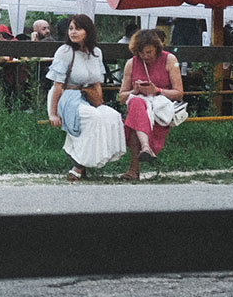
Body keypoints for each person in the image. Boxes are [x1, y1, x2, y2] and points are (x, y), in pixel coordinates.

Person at [46, 13, 125, 181]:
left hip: (87, 96)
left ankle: (96, 158)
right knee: (93, 118)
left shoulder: (96, 52)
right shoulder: (65, 51)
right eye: (71, 28)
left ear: (88, 31)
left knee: (112, 116)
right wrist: (52, 113)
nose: (73, 32)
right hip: (67, 96)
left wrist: (99, 102)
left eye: (78, 28)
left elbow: (97, 83)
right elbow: (57, 86)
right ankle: (78, 164)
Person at [117, 28, 185, 181]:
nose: (145, 56)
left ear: (157, 48)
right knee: (135, 103)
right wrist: (134, 91)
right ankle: (145, 148)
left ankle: (134, 169)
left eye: (149, 52)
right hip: (138, 107)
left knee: (134, 119)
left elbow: (179, 93)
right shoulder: (131, 63)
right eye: (141, 53)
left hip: (159, 109)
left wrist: (157, 90)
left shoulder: (170, 60)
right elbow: (122, 96)